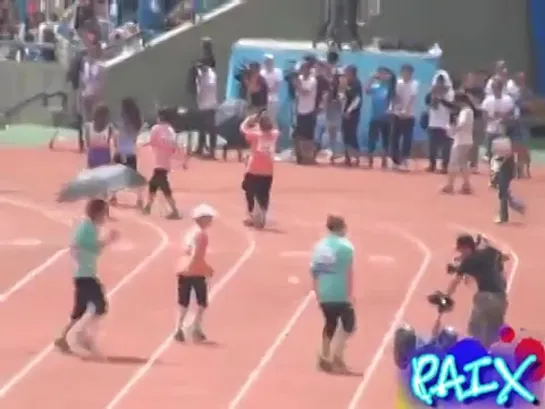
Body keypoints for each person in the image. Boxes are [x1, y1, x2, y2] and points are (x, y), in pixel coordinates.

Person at [54, 199, 119, 354]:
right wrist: (108, 240)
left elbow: (89, 249)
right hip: (85, 275)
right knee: (101, 307)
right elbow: (83, 246)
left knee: (80, 310)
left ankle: (62, 338)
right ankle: (82, 337)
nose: (105, 216)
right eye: (104, 212)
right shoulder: (87, 227)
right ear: (97, 213)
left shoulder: (90, 227)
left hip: (84, 273)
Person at [444, 234, 509, 348]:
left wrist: (446, 296)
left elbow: (455, 282)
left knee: (475, 333)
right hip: (501, 300)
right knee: (493, 337)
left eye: (461, 250)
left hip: (485, 299)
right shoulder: (490, 252)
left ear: (466, 248)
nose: (461, 253)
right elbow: (505, 257)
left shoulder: (468, 261)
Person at [310, 214, 355, 372]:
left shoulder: (319, 246)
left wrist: (317, 291)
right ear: (341, 227)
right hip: (340, 292)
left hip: (324, 292)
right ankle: (337, 356)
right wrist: (350, 294)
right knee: (349, 325)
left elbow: (314, 271)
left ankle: (324, 355)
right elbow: (349, 272)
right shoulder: (347, 248)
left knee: (330, 323)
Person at [174, 204, 216, 343]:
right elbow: (196, 255)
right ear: (202, 219)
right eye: (209, 218)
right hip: (194, 270)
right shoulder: (201, 235)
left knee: (183, 302)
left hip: (182, 268)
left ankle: (178, 328)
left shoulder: (190, 232)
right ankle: (196, 328)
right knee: (202, 301)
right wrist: (206, 268)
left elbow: (186, 250)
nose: (211, 220)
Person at [141, 108, 185, 219]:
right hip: (165, 163)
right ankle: (148, 206)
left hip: (159, 163)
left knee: (163, 187)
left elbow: (152, 141)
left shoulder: (156, 128)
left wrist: (147, 144)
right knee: (153, 184)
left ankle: (174, 210)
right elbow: (174, 146)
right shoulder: (170, 130)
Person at [239, 111, 278, 228]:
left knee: (249, 191)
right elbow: (273, 128)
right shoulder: (275, 134)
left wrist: (249, 119)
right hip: (268, 172)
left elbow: (243, 128)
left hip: (253, 170)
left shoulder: (255, 135)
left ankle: (252, 215)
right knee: (264, 193)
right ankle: (262, 214)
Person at [111, 97, 143, 207]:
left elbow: (118, 135)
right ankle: (140, 198)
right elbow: (134, 137)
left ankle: (113, 197)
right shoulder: (136, 122)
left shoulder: (122, 121)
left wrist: (116, 144)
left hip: (121, 152)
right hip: (131, 152)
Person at [441, 93, 475, 194]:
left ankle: (450, 185)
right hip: (467, 140)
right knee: (463, 163)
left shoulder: (465, 111)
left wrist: (454, 130)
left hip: (461, 140)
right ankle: (466, 185)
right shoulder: (469, 111)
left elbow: (462, 123)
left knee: (453, 163)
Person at [490, 137, 526, 223]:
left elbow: (510, 157)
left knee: (502, 192)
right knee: (502, 191)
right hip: (503, 168)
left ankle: (504, 216)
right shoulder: (500, 144)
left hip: (506, 169)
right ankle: (514, 204)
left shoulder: (507, 143)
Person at [426, 73, 455, 174]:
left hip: (445, 123)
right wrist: (433, 94)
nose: (440, 84)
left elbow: (452, 106)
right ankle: (432, 164)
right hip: (433, 122)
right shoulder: (433, 92)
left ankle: (444, 165)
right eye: (438, 81)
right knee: (432, 145)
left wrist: (441, 99)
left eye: (441, 81)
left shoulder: (450, 93)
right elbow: (427, 102)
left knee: (446, 146)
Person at [366, 66, 395, 168]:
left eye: (384, 73)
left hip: (386, 118)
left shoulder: (391, 89)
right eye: (380, 73)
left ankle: (384, 159)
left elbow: (393, 100)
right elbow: (367, 90)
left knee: (385, 139)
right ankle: (370, 159)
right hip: (375, 117)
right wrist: (371, 78)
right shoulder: (375, 87)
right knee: (372, 139)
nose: (382, 75)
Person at [391, 64, 418, 170]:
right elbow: (395, 97)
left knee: (407, 139)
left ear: (411, 74)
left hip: (409, 116)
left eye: (408, 73)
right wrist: (398, 108)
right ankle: (395, 161)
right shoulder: (398, 83)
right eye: (404, 72)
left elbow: (412, 98)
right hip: (397, 114)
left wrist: (405, 110)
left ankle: (405, 159)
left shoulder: (414, 84)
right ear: (401, 73)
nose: (406, 74)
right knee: (394, 138)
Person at [481, 79, 516, 162]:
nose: (495, 89)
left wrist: (505, 117)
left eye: (497, 87)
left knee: (502, 153)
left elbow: (512, 112)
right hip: (491, 130)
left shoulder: (508, 99)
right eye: (494, 87)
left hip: (503, 130)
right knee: (490, 152)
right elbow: (484, 115)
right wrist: (492, 118)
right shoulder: (487, 100)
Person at [292, 60, 318, 164]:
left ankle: (310, 157)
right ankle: (300, 156)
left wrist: (297, 84)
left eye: (303, 68)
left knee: (308, 137)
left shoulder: (312, 80)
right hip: (300, 110)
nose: (301, 71)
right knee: (297, 135)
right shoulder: (300, 79)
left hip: (309, 110)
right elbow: (297, 95)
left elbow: (305, 92)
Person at [342, 65, 363, 166]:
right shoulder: (347, 83)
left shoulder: (356, 83)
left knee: (351, 135)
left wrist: (349, 111)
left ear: (351, 73)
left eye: (346, 72)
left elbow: (357, 99)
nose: (345, 74)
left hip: (352, 114)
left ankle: (356, 156)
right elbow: (345, 97)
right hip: (345, 113)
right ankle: (347, 157)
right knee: (345, 135)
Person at [85, 104, 115, 168]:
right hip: (93, 160)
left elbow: (114, 146)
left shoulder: (109, 127)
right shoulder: (88, 127)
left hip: (105, 161)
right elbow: (87, 145)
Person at [260, 54, 283, 123]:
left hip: (273, 100)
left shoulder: (278, 72)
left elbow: (278, 86)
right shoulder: (261, 73)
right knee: (262, 119)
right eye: (266, 61)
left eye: (270, 61)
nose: (268, 62)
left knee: (271, 120)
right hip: (262, 100)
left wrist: (267, 90)